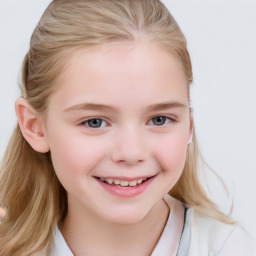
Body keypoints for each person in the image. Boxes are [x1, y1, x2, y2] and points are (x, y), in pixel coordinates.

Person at [0, 0, 254, 255]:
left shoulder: (226, 248)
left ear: (189, 125)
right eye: (94, 122)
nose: (132, 153)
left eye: (159, 119)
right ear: (35, 127)